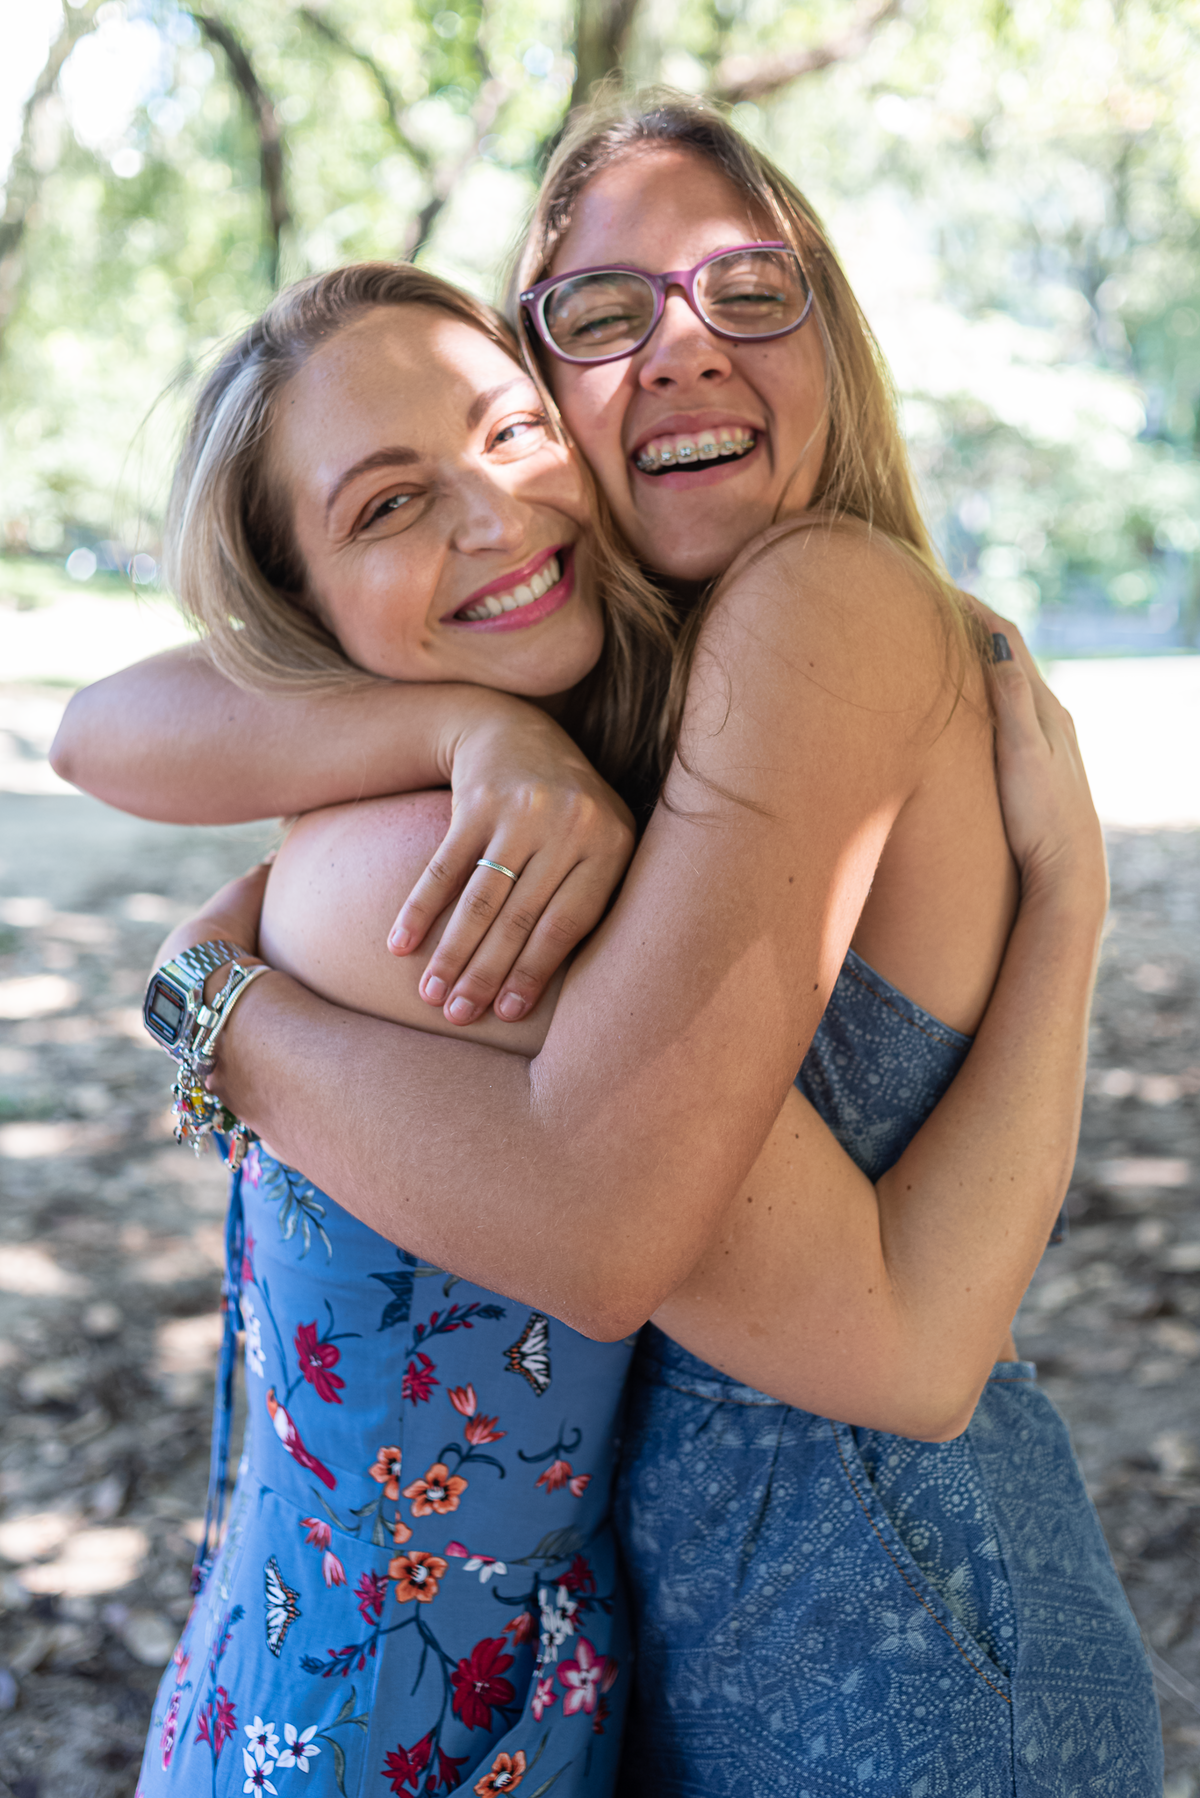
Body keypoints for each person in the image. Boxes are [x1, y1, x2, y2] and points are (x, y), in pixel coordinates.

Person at [54, 99, 1160, 1798]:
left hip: (896, 1634)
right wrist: (467, 732)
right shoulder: (592, 735)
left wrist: (227, 1009)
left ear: (832, 333)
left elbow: (869, 1339)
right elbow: (108, 723)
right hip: (665, 1659)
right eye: (604, 314)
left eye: (749, 291)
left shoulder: (816, 609)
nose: (685, 350)